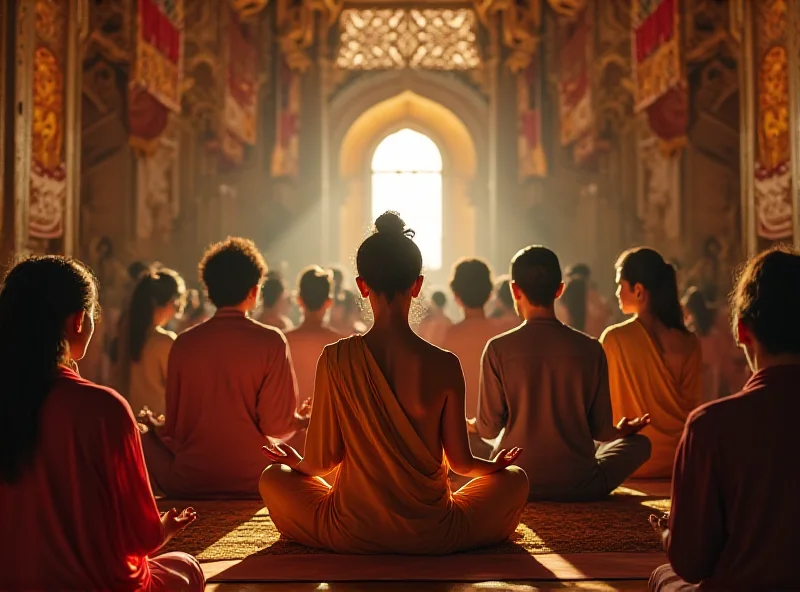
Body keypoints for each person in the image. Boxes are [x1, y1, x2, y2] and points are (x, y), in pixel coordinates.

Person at [259, 212, 529, 554]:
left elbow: (321, 463)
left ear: (362, 285)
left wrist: (292, 461)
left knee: (272, 478)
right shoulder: (444, 364)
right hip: (433, 532)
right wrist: (496, 465)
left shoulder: (336, 358)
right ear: (416, 286)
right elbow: (461, 464)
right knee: (516, 480)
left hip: (350, 530)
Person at [0, 256, 203, 591]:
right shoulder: (102, 408)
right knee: (186, 567)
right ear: (79, 320)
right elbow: (142, 536)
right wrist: (165, 526)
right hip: (98, 583)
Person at [649, 247, 800, 591]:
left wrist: (669, 533)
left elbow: (691, 563)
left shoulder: (710, 427)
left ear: (743, 332)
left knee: (663, 576)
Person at [477, 246, 651, 501]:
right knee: (640, 444)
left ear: (515, 290)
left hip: (514, 481)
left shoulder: (497, 349)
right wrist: (619, 432)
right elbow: (601, 433)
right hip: (581, 484)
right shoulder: (591, 348)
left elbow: (488, 430)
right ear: (559, 290)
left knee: (462, 443)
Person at [140, 238, 308, 498]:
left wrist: (154, 428)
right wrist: (301, 421)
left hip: (189, 481)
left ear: (209, 291)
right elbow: (277, 426)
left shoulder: (184, 343)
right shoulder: (271, 341)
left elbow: (175, 431)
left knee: (140, 434)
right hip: (257, 479)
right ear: (254, 291)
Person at [601, 248, 702, 479]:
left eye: (620, 285)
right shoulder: (690, 342)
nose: (616, 292)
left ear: (638, 290)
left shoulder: (616, 339)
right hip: (682, 458)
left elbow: (600, 409)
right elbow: (694, 407)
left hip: (633, 460)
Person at [442, 259, 511, 440]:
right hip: (499, 433)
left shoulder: (446, 336)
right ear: (490, 294)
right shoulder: (504, 335)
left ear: (456, 296)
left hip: (457, 432)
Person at [284, 266, 343, 453]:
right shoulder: (340, 344)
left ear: (298, 300)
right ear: (329, 302)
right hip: (329, 440)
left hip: (291, 439)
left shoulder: (283, 341)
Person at [118, 268, 186, 417]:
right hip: (158, 425)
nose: (177, 310)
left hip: (130, 422)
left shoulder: (125, 335)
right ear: (169, 302)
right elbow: (182, 392)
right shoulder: (165, 342)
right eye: (177, 303)